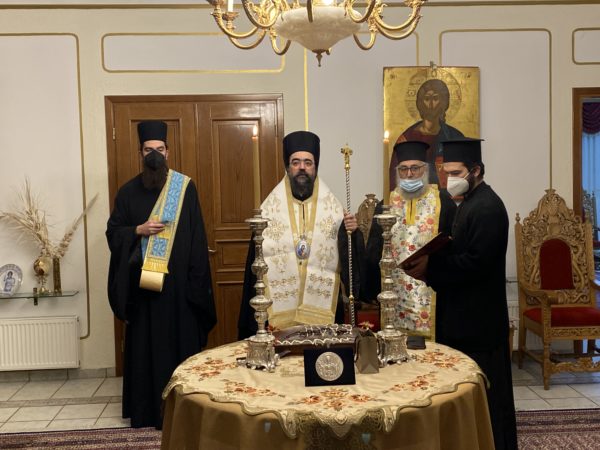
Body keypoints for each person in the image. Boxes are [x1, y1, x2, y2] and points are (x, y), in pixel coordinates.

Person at [403, 138, 518, 450]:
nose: (449, 179)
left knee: (485, 399)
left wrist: (430, 269)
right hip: (463, 318)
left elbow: (476, 264)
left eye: (455, 173)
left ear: (475, 170)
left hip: (479, 324)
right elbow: (457, 249)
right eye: (446, 173)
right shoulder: (467, 202)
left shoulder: (488, 207)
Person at [106, 120, 216, 429]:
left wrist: (197, 287)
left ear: (168, 151)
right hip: (144, 293)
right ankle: (147, 411)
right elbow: (113, 233)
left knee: (180, 349)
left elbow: (197, 239)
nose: (154, 154)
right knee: (147, 352)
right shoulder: (127, 192)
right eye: (148, 150)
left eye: (159, 149)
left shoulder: (184, 188)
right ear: (140, 153)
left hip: (180, 292)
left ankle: (184, 412)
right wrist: (138, 230)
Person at [339, 141, 456, 337]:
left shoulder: (443, 202)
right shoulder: (386, 204)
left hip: (433, 296)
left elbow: (451, 248)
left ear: (425, 169)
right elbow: (373, 254)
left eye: (415, 168)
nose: (409, 174)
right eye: (403, 169)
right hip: (394, 296)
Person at [238, 131, 345, 339]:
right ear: (287, 167)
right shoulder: (267, 213)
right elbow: (255, 267)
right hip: (277, 315)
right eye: (296, 162)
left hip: (322, 313)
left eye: (308, 162)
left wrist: (352, 232)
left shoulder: (334, 212)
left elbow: (349, 263)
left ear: (315, 167)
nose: (302, 167)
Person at [390, 78, 464, 190]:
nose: (430, 104)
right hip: (414, 196)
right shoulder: (407, 138)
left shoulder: (453, 136)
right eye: (426, 99)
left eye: (435, 98)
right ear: (420, 102)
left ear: (443, 102)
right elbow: (394, 178)